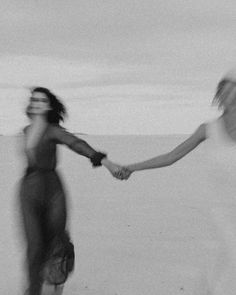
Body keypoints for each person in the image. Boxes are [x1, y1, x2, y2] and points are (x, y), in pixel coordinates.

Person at [117, 70, 236, 294]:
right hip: (222, 209)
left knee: (226, 264)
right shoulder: (208, 129)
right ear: (218, 96)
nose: (231, 95)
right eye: (225, 90)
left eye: (235, 90)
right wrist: (132, 167)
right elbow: (171, 156)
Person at [19, 87, 122, 295]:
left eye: (41, 100)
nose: (36, 102)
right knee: (34, 245)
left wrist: (104, 161)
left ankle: (55, 284)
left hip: (52, 190)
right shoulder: (27, 131)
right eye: (34, 99)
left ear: (48, 105)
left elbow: (75, 143)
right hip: (28, 190)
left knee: (56, 240)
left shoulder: (53, 130)